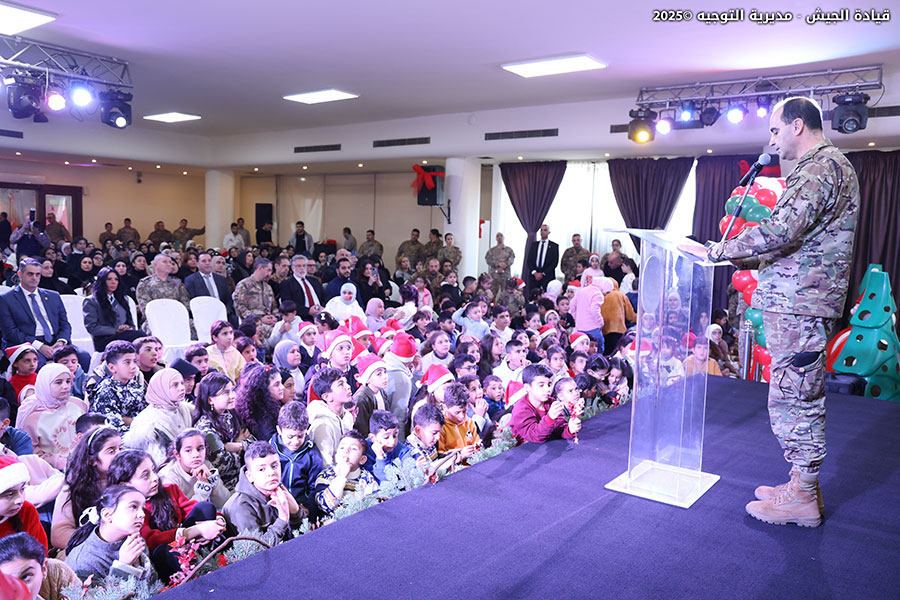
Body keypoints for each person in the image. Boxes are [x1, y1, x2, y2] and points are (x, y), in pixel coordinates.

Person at [704, 97, 860, 528]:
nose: (772, 142)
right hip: (800, 300)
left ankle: (803, 498)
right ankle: (799, 484)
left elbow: (781, 230)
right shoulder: (828, 166)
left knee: (796, 396)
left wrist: (719, 250)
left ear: (797, 126)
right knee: (795, 391)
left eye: (775, 131)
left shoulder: (818, 167)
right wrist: (746, 257)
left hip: (800, 303)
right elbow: (800, 241)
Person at [107, 450, 224, 582]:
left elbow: (192, 509)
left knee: (205, 507)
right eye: (145, 476)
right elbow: (150, 540)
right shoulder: (132, 511)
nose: (155, 478)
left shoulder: (170, 489)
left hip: (188, 543)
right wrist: (194, 532)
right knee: (164, 551)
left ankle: (209, 558)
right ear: (125, 485)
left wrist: (218, 521)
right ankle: (197, 574)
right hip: (164, 560)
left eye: (153, 471)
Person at [0, 258, 87, 369]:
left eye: (38, 274)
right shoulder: (6, 299)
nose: (34, 278)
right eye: (30, 274)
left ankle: (75, 381)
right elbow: (10, 332)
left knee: (83, 356)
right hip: (26, 343)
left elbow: (65, 324)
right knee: (36, 363)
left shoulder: (53, 296)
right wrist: (39, 346)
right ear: (20, 274)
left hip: (55, 340)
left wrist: (61, 341)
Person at [64, 485, 157, 584]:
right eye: (133, 507)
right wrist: (123, 566)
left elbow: (154, 585)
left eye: (142, 508)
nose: (142, 514)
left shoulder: (135, 540)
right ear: (107, 515)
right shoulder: (83, 563)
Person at [50, 426, 122, 550]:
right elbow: (59, 535)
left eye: (121, 448)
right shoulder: (72, 490)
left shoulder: (127, 483)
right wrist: (102, 542)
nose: (120, 454)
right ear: (91, 460)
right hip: (88, 551)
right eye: (111, 451)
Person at [223, 441, 303, 541]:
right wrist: (282, 519)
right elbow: (255, 548)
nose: (271, 473)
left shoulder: (277, 488)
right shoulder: (240, 506)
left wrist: (296, 512)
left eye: (274, 466)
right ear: (249, 476)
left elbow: (304, 531)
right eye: (261, 469)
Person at [15, 364, 87, 470]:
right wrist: (57, 461)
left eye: (68, 381)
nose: (65, 386)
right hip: (53, 470)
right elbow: (31, 452)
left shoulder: (78, 404)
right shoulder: (33, 417)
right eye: (58, 382)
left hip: (86, 463)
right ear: (45, 384)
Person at [270, 401, 323, 517]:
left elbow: (315, 486)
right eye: (290, 436)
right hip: (274, 504)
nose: (295, 442)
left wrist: (308, 507)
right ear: (279, 430)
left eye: (300, 436)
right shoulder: (270, 450)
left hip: (301, 506)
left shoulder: (312, 454)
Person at [313, 431, 377, 519]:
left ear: (362, 459)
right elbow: (325, 506)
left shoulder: (367, 478)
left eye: (353, 449)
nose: (346, 451)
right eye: (342, 448)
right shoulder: (325, 475)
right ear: (336, 456)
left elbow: (372, 508)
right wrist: (341, 477)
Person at [159, 429, 230, 508]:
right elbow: (182, 513)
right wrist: (203, 487)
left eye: (200, 449)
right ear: (177, 455)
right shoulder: (169, 478)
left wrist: (211, 479)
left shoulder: (205, 465)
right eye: (188, 450)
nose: (196, 455)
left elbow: (224, 502)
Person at [509, 365, 580, 443]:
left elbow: (560, 430)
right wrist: (550, 418)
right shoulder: (521, 410)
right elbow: (535, 437)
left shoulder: (550, 402)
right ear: (527, 387)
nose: (548, 389)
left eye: (549, 384)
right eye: (541, 385)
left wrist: (569, 429)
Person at [87, 341, 145, 432]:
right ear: (112, 368)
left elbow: (146, 416)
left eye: (135, 361)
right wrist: (135, 422)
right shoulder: (106, 390)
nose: (134, 366)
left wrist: (130, 421)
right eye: (127, 362)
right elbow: (114, 427)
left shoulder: (136, 386)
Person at [82, 267, 144, 352]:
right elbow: (92, 328)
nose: (113, 282)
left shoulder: (123, 299)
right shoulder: (91, 301)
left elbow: (131, 323)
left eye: (116, 279)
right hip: (104, 340)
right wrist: (116, 331)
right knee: (138, 336)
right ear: (102, 281)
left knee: (141, 337)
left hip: (126, 335)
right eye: (109, 279)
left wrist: (128, 328)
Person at [0, 456, 48, 550]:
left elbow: (39, 551)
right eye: (9, 494)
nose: (20, 500)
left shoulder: (27, 510)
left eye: (22, 489)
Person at [135, 254, 192, 329]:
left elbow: (185, 302)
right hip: (155, 320)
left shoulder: (177, 282)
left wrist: (176, 314)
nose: (169, 264)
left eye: (170, 262)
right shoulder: (145, 283)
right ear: (155, 264)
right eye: (165, 262)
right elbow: (145, 306)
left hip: (177, 317)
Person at [232, 258, 279, 337]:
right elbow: (239, 307)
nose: (269, 274)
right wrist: (259, 319)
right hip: (253, 325)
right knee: (278, 333)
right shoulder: (243, 284)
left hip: (271, 323)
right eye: (268, 270)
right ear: (260, 268)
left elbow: (274, 306)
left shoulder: (268, 287)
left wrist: (275, 317)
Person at [184, 252, 236, 323]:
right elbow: (193, 301)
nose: (207, 263)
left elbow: (228, 299)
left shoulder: (221, 279)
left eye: (209, 260)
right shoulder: (191, 280)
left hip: (223, 314)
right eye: (204, 261)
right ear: (197, 264)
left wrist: (226, 310)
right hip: (204, 316)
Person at [438, 383, 480, 456]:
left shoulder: (469, 422)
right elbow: (440, 454)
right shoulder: (440, 427)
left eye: (465, 411)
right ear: (444, 407)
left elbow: (477, 441)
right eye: (456, 412)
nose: (462, 416)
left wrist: (477, 447)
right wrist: (460, 454)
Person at [526, 223, 559, 294]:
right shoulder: (534, 245)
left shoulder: (554, 246)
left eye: (545, 230)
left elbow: (554, 263)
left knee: (547, 295)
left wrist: (543, 273)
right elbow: (529, 261)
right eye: (541, 230)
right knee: (533, 295)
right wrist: (535, 273)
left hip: (547, 275)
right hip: (534, 276)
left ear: (549, 232)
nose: (543, 232)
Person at [484, 232, 516, 296]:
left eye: (501, 236)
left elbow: (511, 259)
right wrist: (498, 264)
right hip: (494, 275)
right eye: (498, 236)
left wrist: (505, 264)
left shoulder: (509, 250)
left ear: (503, 238)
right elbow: (488, 260)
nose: (499, 237)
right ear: (496, 238)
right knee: (492, 293)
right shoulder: (491, 250)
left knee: (506, 292)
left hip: (505, 274)